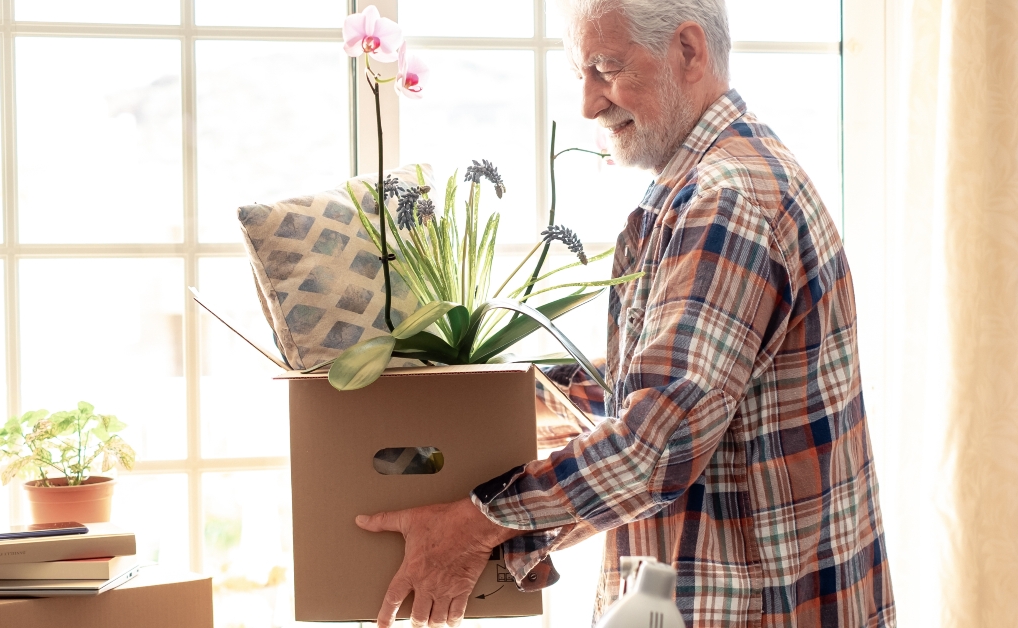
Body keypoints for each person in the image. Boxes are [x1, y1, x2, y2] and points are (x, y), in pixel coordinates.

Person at [355, 0, 897, 626]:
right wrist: (509, 398)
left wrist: (479, 522)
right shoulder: (711, 182)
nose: (588, 104)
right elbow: (674, 392)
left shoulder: (725, 202)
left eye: (606, 70)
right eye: (580, 74)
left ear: (689, 51)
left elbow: (654, 448)